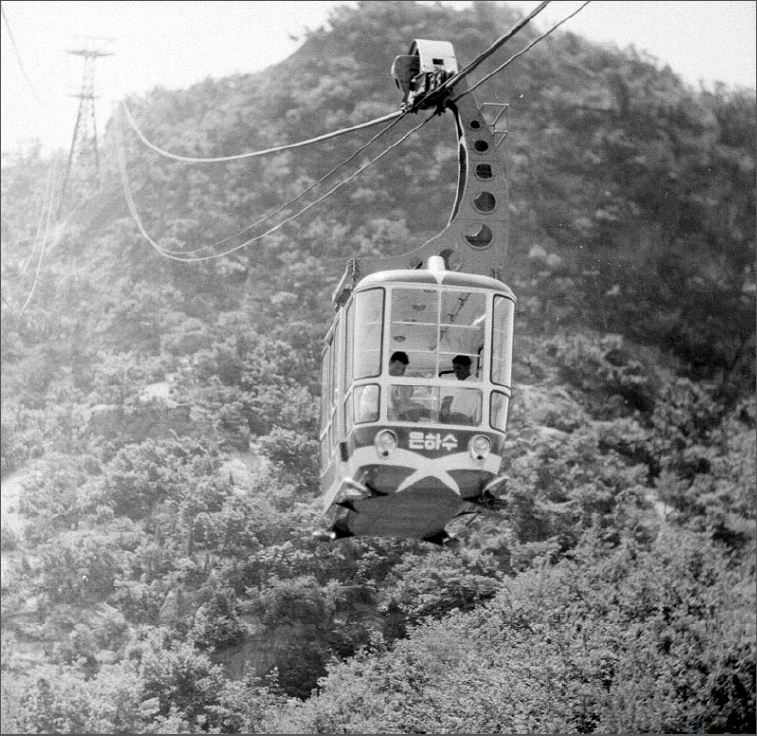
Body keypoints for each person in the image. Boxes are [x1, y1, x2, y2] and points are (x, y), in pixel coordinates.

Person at [440, 355, 479, 424]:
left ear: (468, 367)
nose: (456, 372)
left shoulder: (472, 383)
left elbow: (463, 409)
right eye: (454, 369)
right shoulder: (464, 384)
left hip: (461, 421)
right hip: (456, 419)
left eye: (458, 368)